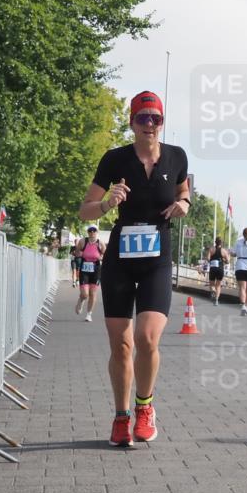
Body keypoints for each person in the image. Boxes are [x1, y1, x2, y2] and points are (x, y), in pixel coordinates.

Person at [78, 90, 189, 448]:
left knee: (147, 338)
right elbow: (86, 210)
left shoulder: (176, 156)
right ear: (132, 123)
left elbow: (184, 191)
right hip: (121, 262)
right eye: (143, 118)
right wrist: (108, 202)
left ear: (162, 122)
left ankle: (145, 407)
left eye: (155, 118)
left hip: (157, 259)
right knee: (122, 346)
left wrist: (184, 203)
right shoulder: (114, 160)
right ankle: (121, 417)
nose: (150, 125)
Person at [74, 225, 105, 322]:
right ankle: (81, 300)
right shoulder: (83, 241)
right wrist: (79, 254)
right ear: (87, 232)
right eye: (90, 230)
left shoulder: (100, 243)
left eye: (94, 230)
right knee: (85, 294)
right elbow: (77, 252)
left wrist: (101, 258)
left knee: (92, 293)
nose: (92, 232)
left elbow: (105, 254)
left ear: (97, 232)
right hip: (85, 268)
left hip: (96, 269)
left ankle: (89, 314)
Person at [206, 236, 230, 305]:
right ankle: (216, 300)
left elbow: (208, 259)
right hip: (220, 269)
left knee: (212, 284)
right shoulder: (224, 251)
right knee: (218, 285)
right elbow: (228, 261)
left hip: (213, 268)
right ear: (221, 243)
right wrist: (223, 260)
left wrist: (211, 260)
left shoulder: (211, 249)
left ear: (215, 242)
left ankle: (213, 291)